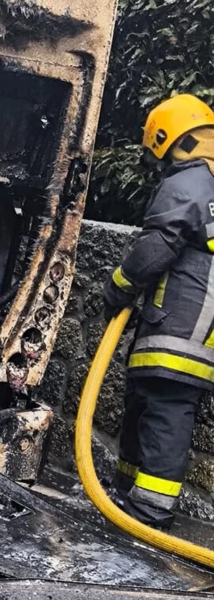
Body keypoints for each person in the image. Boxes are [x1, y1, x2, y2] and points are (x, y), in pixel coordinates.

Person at [103, 93, 214, 529]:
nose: (160, 167)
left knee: (166, 412)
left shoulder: (188, 182)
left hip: (179, 331)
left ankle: (149, 510)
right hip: (191, 330)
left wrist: (117, 288)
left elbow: (155, 249)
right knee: (145, 405)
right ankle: (128, 494)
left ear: (172, 140)